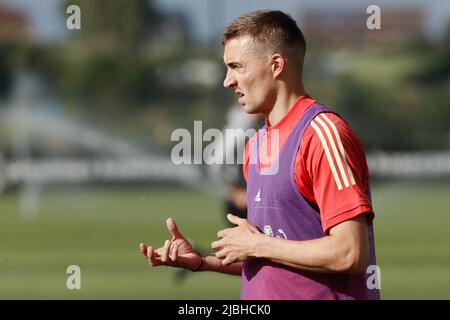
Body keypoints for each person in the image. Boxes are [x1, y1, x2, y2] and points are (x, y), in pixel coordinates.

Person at [140, 10, 380, 300]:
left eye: (237, 66)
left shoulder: (322, 134)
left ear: (276, 65)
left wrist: (258, 245)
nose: (228, 81)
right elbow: (272, 252)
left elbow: (349, 252)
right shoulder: (256, 145)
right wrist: (203, 261)